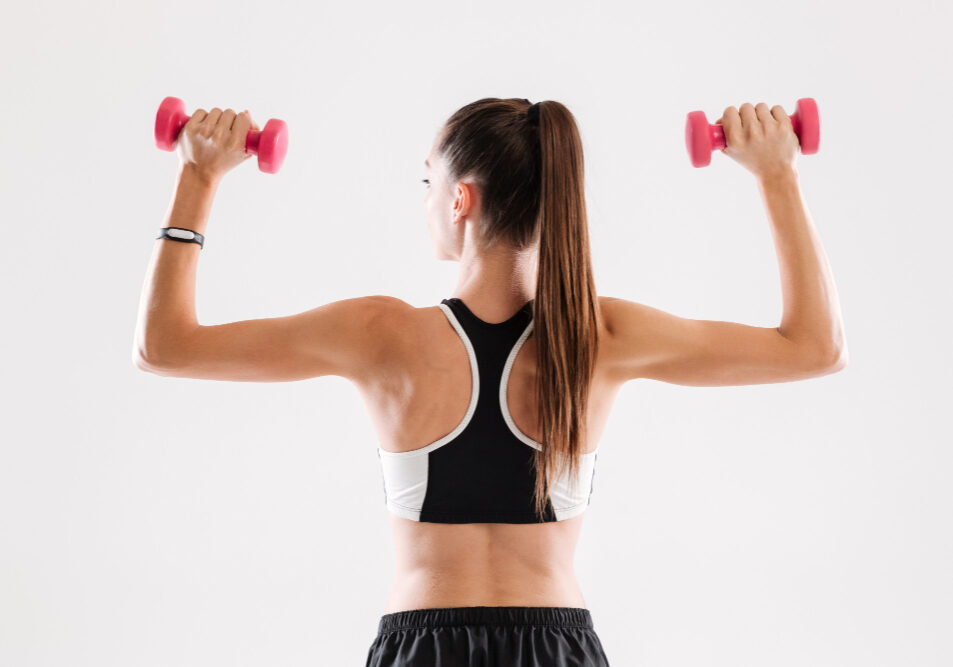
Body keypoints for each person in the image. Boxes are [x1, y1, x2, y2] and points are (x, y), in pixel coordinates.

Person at [133, 97, 848, 666]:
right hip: (557, 648)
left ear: (461, 200)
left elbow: (163, 347)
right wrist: (776, 173)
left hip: (420, 647)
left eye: (427, 182)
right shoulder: (601, 337)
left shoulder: (382, 336)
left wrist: (198, 176)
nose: (424, 201)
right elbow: (814, 347)